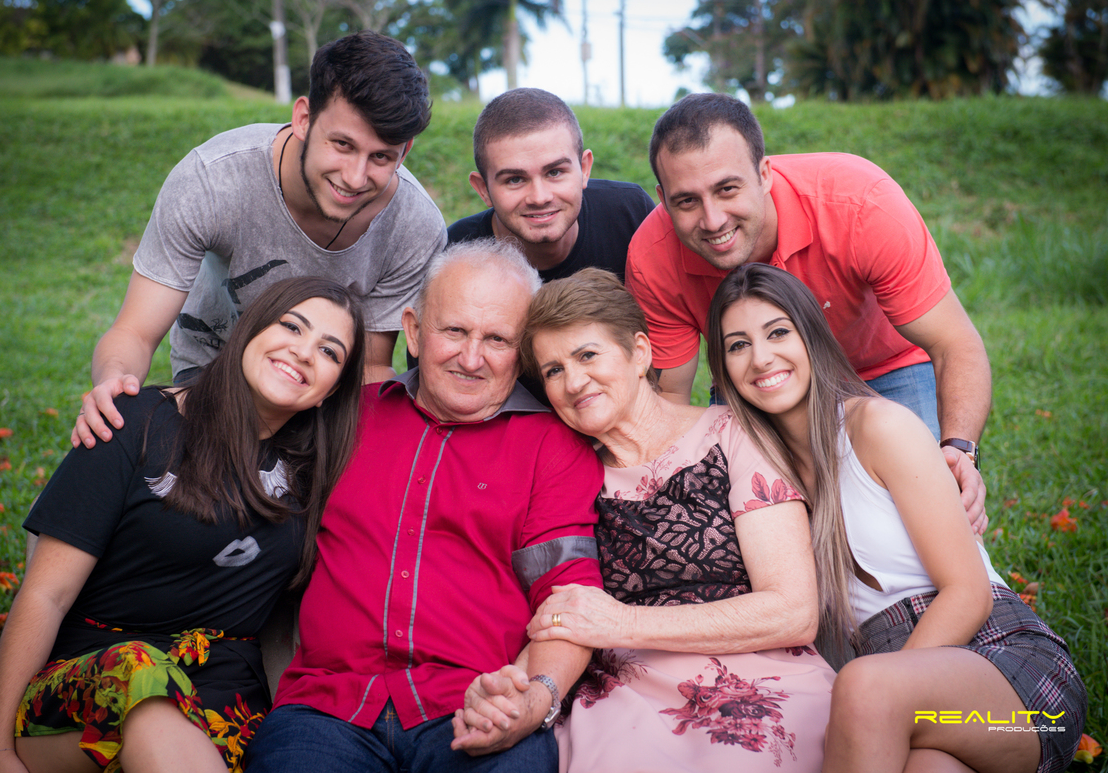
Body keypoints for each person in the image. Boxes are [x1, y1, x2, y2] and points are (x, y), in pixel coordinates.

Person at [704, 263, 1086, 773]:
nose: (761, 357)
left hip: (1018, 692)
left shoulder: (877, 427)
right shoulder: (758, 476)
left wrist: (869, 699)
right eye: (738, 345)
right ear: (722, 368)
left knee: (863, 690)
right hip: (925, 711)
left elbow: (968, 593)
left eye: (778, 333)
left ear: (811, 335)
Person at [242, 240, 604, 773]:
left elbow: (567, 598)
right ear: (413, 330)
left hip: (473, 701)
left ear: (522, 351)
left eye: (497, 339)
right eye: (454, 330)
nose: (471, 358)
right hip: (329, 706)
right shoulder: (344, 418)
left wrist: (535, 699)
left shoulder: (553, 447)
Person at [0, 277, 368, 773]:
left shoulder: (318, 475)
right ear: (249, 331)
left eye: (330, 352)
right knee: (146, 686)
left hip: (224, 698)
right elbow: (45, 595)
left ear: (330, 392)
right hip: (95, 684)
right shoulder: (133, 422)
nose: (303, 351)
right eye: (291, 326)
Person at [480, 267, 835, 772]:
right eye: (554, 370)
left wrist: (623, 622)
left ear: (640, 352)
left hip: (754, 674)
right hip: (624, 700)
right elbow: (562, 609)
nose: (574, 382)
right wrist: (517, 692)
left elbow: (794, 611)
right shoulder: (562, 475)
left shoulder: (731, 434)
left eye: (587, 355)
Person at [73, 30, 446, 449]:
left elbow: (371, 368)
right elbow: (136, 332)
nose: (355, 178)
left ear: (404, 151)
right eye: (342, 144)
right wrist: (113, 384)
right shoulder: (212, 179)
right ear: (303, 119)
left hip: (319, 400)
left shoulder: (415, 226)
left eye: (381, 157)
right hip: (208, 376)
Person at [625, 93, 990, 491]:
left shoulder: (859, 203)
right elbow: (669, 400)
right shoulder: (652, 257)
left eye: (727, 189)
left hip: (885, 368)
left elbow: (954, 343)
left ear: (765, 174)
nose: (712, 220)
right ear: (663, 199)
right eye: (687, 201)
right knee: (746, 509)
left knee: (931, 491)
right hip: (759, 378)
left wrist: (959, 453)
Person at [448, 88, 653, 281]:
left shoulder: (632, 215)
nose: (540, 198)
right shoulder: (453, 256)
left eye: (555, 172)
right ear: (483, 189)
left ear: (584, 169)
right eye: (515, 179)